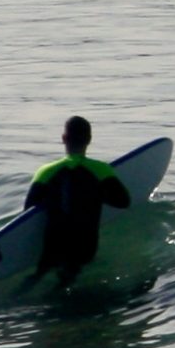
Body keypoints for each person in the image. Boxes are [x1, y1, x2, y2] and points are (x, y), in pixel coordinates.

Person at [27, 115, 132, 284]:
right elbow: (123, 201)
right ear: (89, 140)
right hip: (85, 245)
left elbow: (29, 211)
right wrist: (95, 195)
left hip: (53, 245)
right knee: (71, 276)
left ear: (63, 139)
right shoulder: (101, 170)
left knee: (39, 274)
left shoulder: (45, 172)